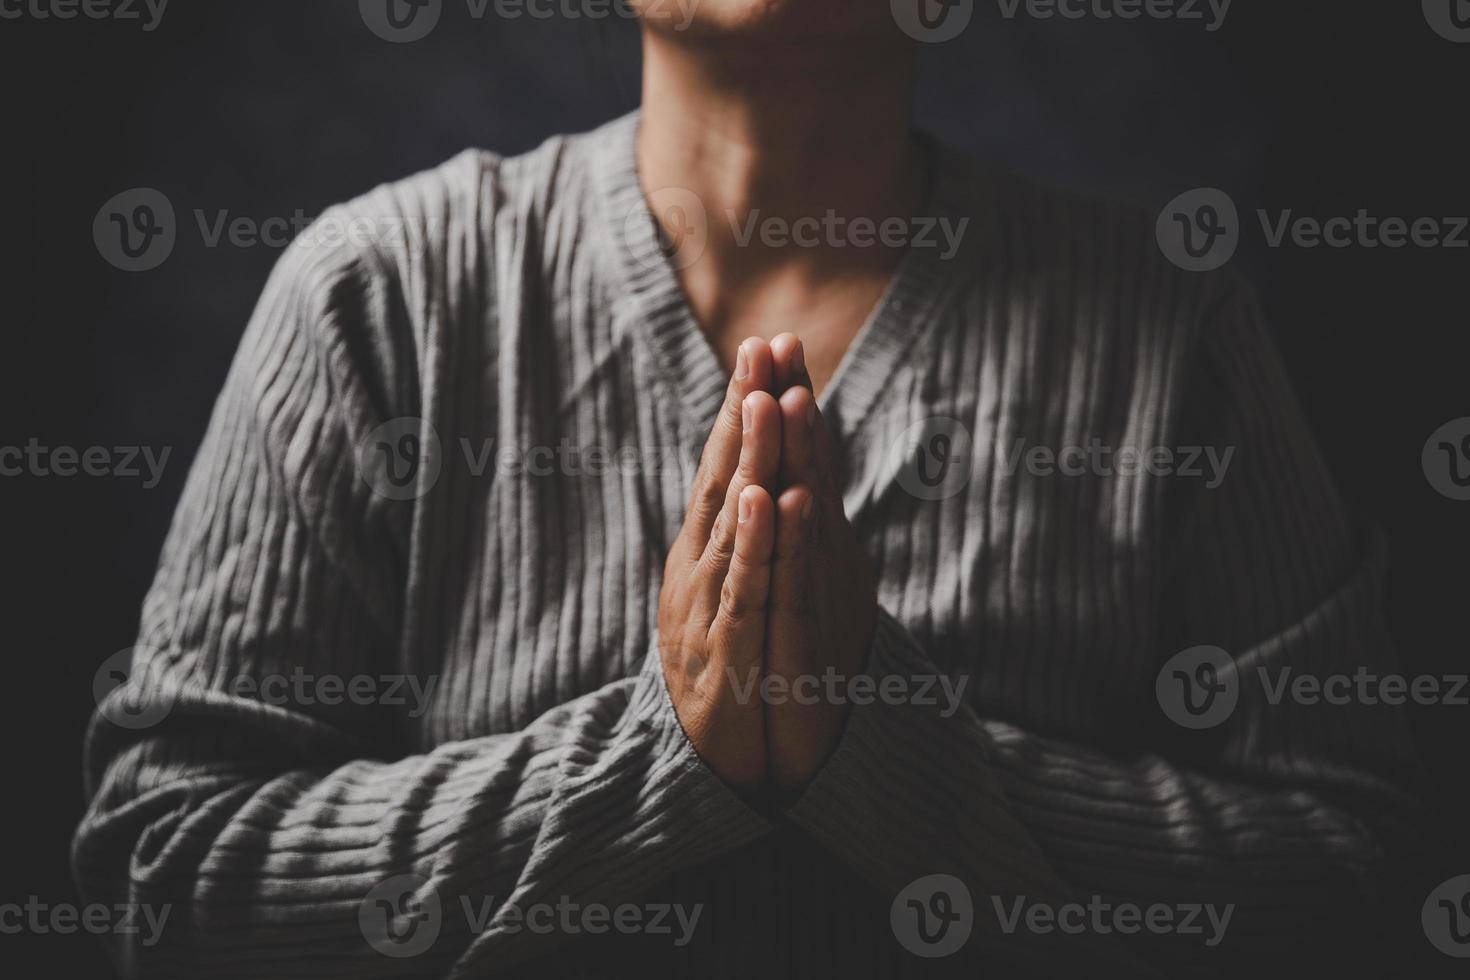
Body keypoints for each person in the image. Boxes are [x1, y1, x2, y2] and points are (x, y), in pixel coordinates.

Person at [74, 1, 1438, 975]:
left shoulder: (1169, 333)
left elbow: (1358, 874)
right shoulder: (375, 299)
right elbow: (163, 879)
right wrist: (665, 756)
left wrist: (878, 745)